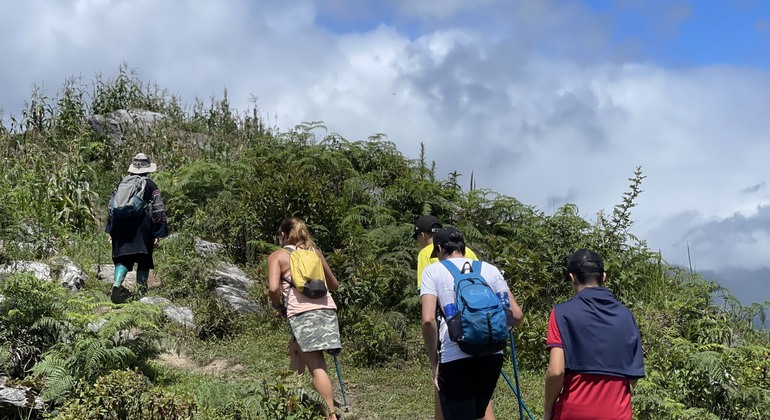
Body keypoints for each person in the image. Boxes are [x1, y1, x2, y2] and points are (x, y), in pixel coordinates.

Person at [421, 227, 523, 420]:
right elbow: (516, 315)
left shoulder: (433, 271)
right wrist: (491, 331)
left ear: (441, 248)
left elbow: (428, 320)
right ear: (463, 248)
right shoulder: (490, 270)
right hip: (492, 356)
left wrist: (434, 363)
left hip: (455, 356)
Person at [544, 249, 645, 420]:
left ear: (572, 277)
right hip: (618, 414)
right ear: (603, 277)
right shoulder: (627, 316)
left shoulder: (562, 313)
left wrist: (548, 410)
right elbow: (632, 378)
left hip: (572, 413)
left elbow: (556, 371)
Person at [412, 215, 490, 420]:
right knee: (482, 392)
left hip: (449, 326)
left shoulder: (425, 254)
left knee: (441, 383)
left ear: (422, 235)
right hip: (481, 324)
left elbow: (429, 302)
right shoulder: (468, 251)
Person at [268, 217, 342, 420]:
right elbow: (334, 285)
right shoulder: (315, 253)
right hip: (326, 310)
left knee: (316, 364)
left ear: (283, 235)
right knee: (295, 348)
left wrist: (278, 306)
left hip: (302, 314)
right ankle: (289, 400)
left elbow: (274, 288)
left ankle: (331, 415)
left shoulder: (278, 256)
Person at [106, 153, 168, 303]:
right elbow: (158, 208)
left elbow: (111, 207)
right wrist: (158, 231)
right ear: (147, 169)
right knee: (144, 258)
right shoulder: (150, 184)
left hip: (120, 224)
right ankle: (141, 291)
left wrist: (110, 230)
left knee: (122, 258)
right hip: (142, 225)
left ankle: (116, 284)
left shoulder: (121, 183)